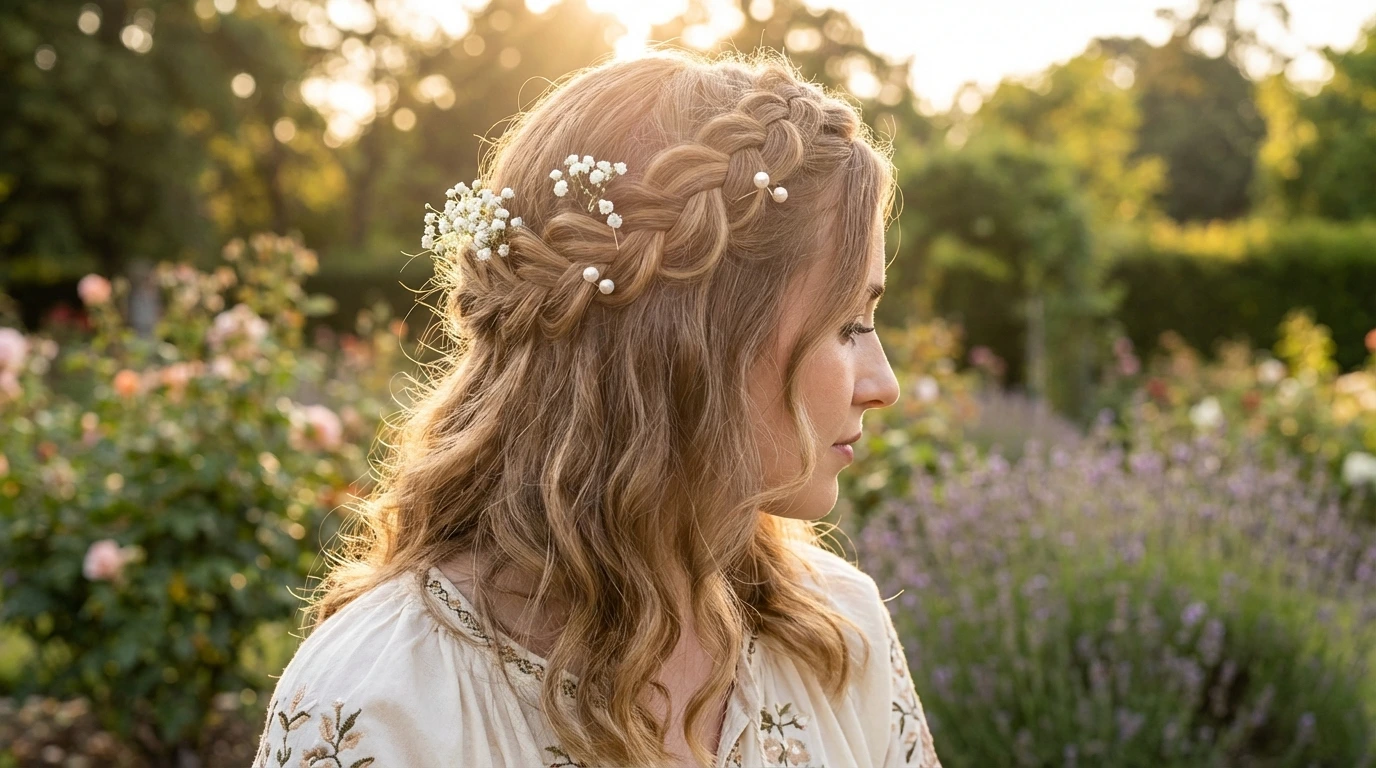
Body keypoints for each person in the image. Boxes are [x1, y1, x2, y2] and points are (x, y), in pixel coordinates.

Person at [251, 46, 941, 768]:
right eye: (848, 325)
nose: (883, 383)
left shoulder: (838, 637)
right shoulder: (381, 702)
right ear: (691, 343)